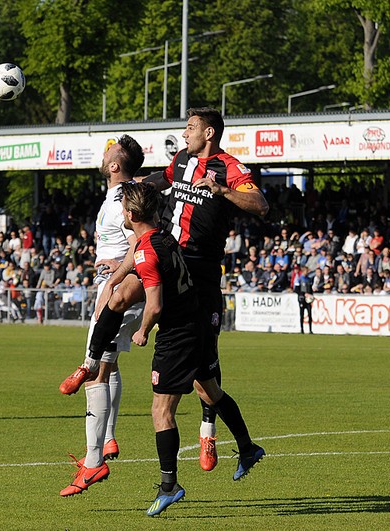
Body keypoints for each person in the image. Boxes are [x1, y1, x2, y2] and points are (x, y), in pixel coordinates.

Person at [95, 107, 269, 473]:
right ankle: (91, 362)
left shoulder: (230, 168)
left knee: (205, 376)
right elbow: (163, 178)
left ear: (208, 133)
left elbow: (259, 204)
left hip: (202, 272)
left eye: (190, 127)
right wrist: (134, 185)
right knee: (120, 294)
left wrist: (222, 190)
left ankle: (212, 432)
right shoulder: (181, 160)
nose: (184, 132)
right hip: (172, 258)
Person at [120, 182, 264, 516]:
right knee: (210, 390)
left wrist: (141, 331)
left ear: (129, 215)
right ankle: (246, 447)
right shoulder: (166, 236)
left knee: (161, 411)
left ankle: (169, 485)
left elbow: (153, 305)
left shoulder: (148, 247)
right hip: (196, 323)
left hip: (177, 335)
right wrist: (118, 275)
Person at [58, 135, 146, 497]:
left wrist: (119, 266)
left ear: (114, 165)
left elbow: (144, 234)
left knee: (93, 371)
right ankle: (107, 441)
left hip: (119, 288)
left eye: (109, 150)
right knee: (108, 365)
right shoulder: (119, 195)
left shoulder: (124, 198)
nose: (104, 151)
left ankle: (93, 462)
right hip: (119, 285)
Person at [295, 265, 314, 334]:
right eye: (306, 271)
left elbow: (310, 289)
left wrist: (311, 295)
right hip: (302, 299)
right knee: (302, 314)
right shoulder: (299, 279)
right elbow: (296, 290)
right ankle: (302, 329)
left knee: (309, 314)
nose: (307, 272)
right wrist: (303, 294)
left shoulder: (309, 279)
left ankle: (310, 329)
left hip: (308, 299)